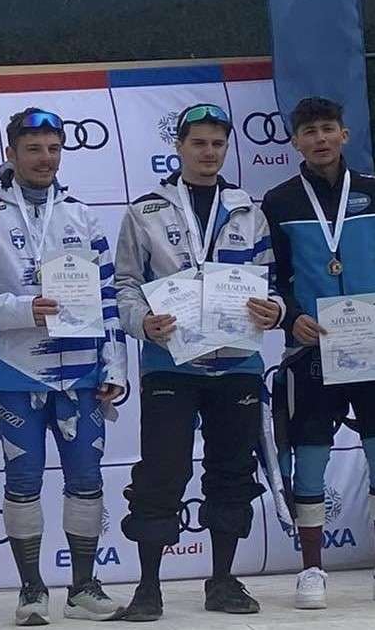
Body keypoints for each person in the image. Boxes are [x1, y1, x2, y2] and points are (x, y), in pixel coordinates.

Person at [0, 108, 127, 625]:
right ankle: (31, 591)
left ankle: (84, 587)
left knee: (86, 478)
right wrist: (23, 310)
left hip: (82, 372)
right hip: (14, 372)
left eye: (53, 149)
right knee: (22, 480)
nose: (46, 159)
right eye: (34, 149)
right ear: (11, 153)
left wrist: (115, 367)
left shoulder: (82, 214)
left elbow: (108, 297)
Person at [114, 103, 284, 620]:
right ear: (179, 146)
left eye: (218, 144)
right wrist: (142, 322)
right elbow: (125, 284)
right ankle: (148, 587)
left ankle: (223, 581)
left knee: (232, 470)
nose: (209, 153)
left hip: (237, 364)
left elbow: (271, 283)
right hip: (170, 363)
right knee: (162, 471)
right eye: (199, 143)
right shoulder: (145, 210)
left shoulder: (249, 210)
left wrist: (275, 310)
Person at [261, 96, 375, 610]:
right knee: (308, 460)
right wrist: (289, 317)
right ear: (295, 142)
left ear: (344, 134)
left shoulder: (372, 190)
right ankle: (311, 570)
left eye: (328, 129)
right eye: (309, 132)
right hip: (311, 348)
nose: (320, 139)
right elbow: (270, 276)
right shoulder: (279, 201)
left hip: (372, 347)